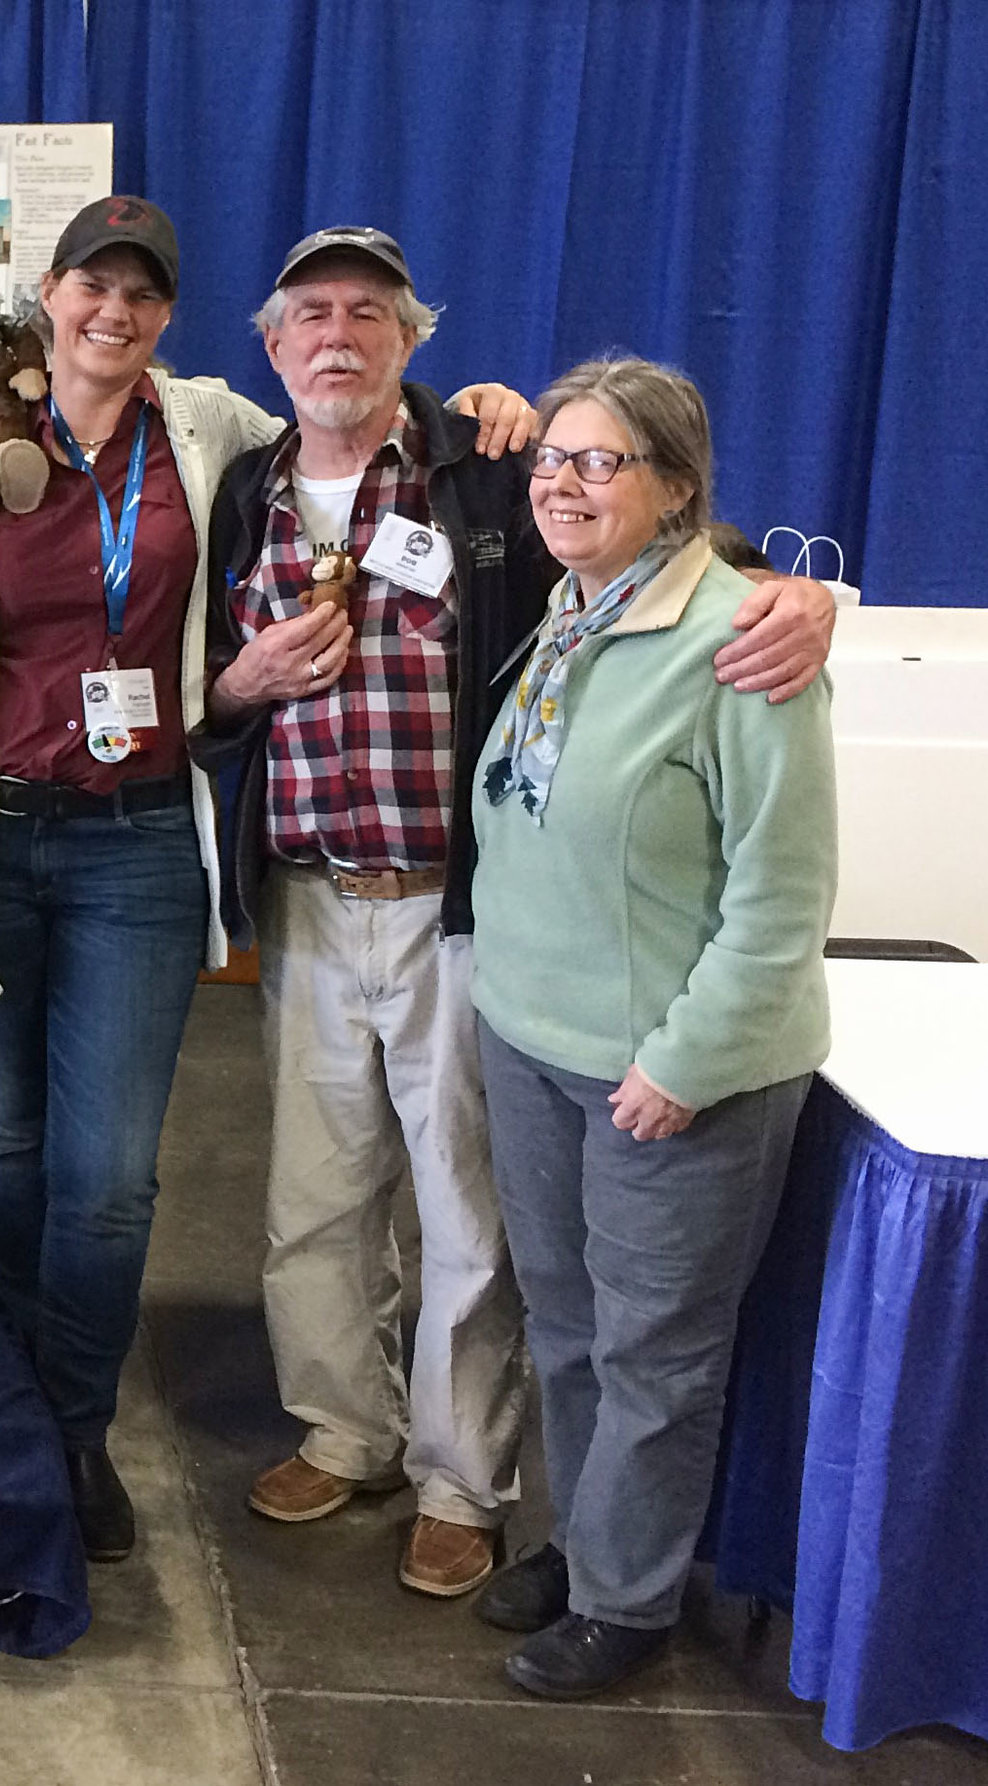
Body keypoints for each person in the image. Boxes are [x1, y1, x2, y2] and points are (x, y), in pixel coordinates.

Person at [0, 196, 532, 1563]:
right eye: (91, 286)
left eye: (142, 293)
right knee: (3, 1153)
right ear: (47, 295)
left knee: (106, 1179)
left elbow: (407, 439)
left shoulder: (214, 432)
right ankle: (21, 1408)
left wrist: (493, 410)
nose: (113, 312)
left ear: (169, 317)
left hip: (140, 850)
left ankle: (73, 1425)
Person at [196, 232, 835, 1598]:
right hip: (306, 901)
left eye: (370, 312)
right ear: (271, 346)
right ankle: (344, 1426)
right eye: (310, 313)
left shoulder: (488, 466)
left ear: (413, 341)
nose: (338, 335)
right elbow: (203, 686)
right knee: (312, 1199)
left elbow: (667, 542)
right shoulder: (244, 488)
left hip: (456, 908)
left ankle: (460, 1476)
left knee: (466, 1212)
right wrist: (240, 684)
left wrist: (801, 594)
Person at [467, 359, 835, 1698]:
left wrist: (683, 1062)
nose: (562, 482)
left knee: (655, 1348)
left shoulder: (742, 642)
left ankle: (630, 1600)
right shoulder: (569, 607)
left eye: (601, 462)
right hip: (533, 1038)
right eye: (552, 458)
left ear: (677, 489)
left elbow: (784, 895)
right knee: (565, 1322)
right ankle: (587, 1538)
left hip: (670, 1073)